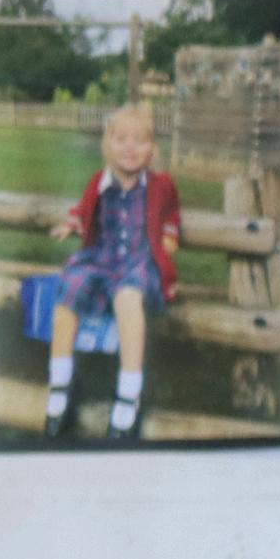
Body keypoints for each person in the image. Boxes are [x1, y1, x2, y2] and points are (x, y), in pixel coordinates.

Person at [42, 102, 178, 441]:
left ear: (151, 149)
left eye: (139, 140)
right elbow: (84, 209)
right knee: (68, 290)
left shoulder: (160, 185)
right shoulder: (98, 182)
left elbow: (171, 215)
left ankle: (129, 393)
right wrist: (72, 224)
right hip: (100, 259)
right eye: (121, 139)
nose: (130, 147)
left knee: (128, 298)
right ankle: (60, 384)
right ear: (108, 145)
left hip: (138, 262)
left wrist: (168, 241)